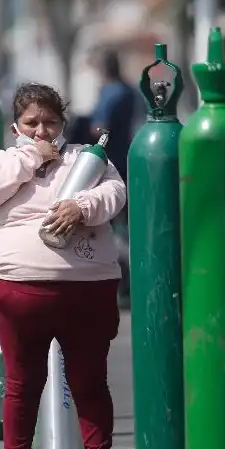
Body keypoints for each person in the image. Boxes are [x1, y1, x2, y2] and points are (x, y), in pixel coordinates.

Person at [0, 83, 128, 449]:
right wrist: (30, 160)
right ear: (16, 127)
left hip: (87, 288)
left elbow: (115, 193)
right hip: (16, 288)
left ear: (63, 122)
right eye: (31, 123)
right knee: (22, 380)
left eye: (50, 122)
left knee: (90, 379)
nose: (42, 131)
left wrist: (82, 207)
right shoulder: (3, 161)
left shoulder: (85, 158)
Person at [89, 51, 137, 308]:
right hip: (128, 160)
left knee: (109, 227)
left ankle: (121, 281)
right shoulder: (129, 91)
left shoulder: (109, 93)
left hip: (109, 165)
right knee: (128, 227)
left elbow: (99, 127)